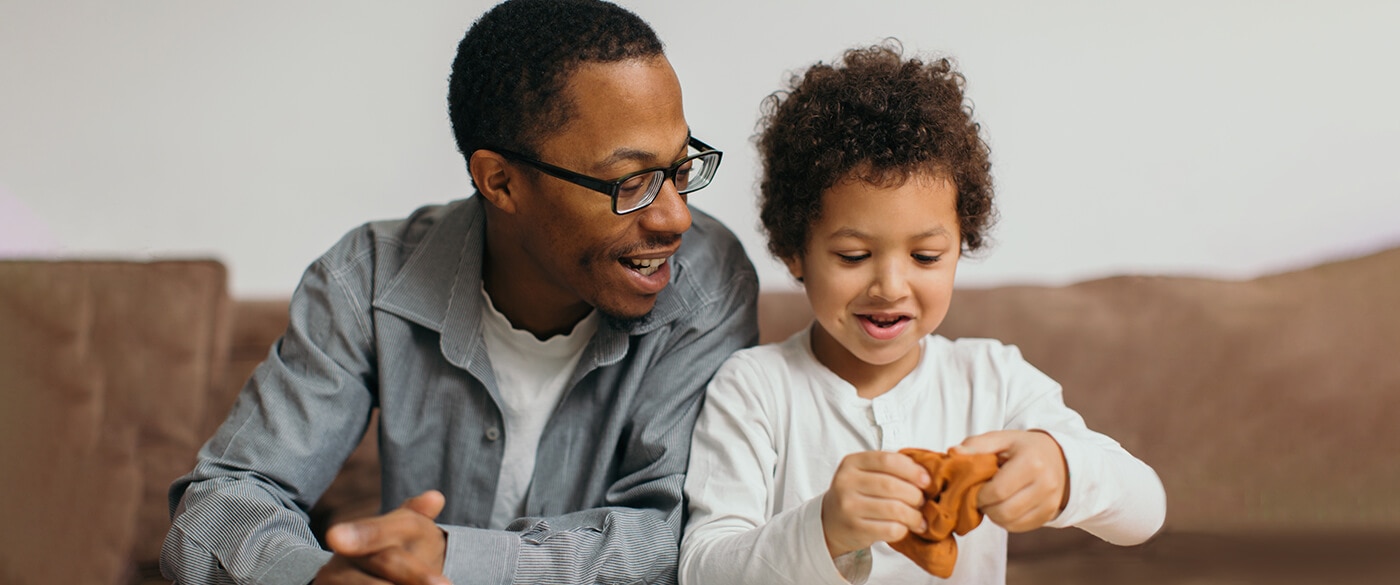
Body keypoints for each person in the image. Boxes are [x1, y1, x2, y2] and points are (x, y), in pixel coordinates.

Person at [161, 1, 759, 584]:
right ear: (499, 181)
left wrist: (452, 558)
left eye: (681, 169)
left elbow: (673, 535)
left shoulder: (707, 284)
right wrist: (318, 579)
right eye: (633, 182)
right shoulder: (366, 279)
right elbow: (219, 505)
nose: (676, 219)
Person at [678, 43, 1165, 584]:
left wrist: (1065, 471)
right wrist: (824, 528)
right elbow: (703, 569)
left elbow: (1146, 511)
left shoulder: (993, 380)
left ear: (962, 246)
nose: (890, 286)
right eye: (854, 256)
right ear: (795, 251)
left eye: (926, 257)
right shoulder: (753, 390)